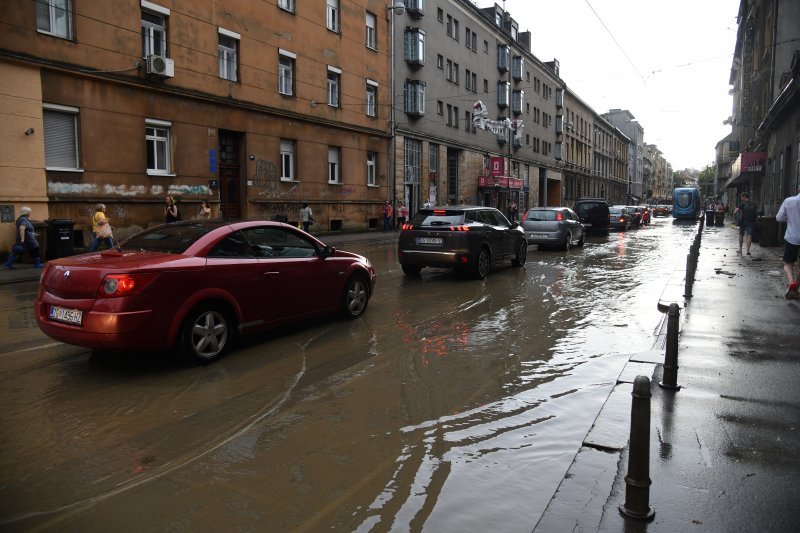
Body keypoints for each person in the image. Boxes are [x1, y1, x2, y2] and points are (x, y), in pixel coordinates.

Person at [776, 185, 800, 299]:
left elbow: (779, 217)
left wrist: (790, 218)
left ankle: (791, 282)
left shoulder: (789, 201)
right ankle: (795, 288)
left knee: (788, 264)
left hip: (792, 237)